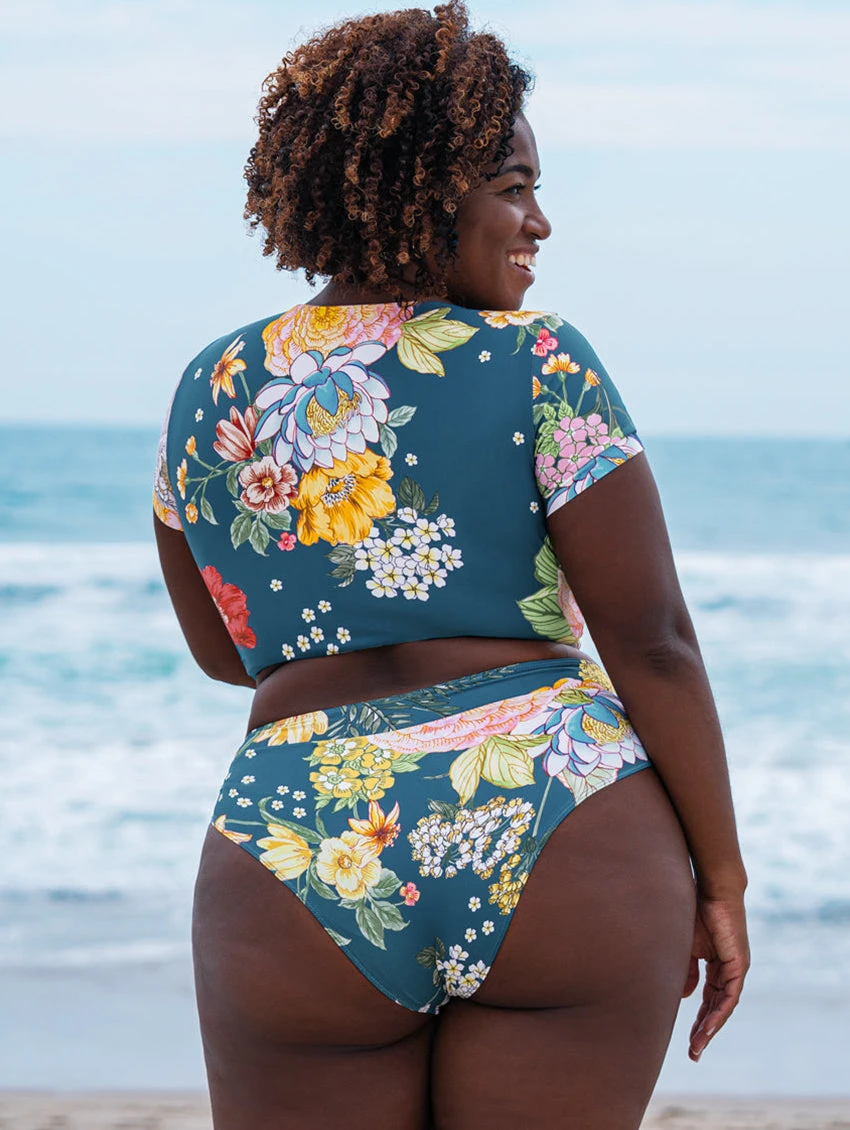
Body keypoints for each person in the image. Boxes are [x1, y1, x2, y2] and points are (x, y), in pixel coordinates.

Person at [153, 4, 749, 1127]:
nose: (540, 222)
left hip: (300, 840)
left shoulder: (212, 383)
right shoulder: (541, 357)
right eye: (513, 187)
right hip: (559, 819)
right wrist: (721, 878)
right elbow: (654, 641)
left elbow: (225, 652)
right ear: (429, 191)